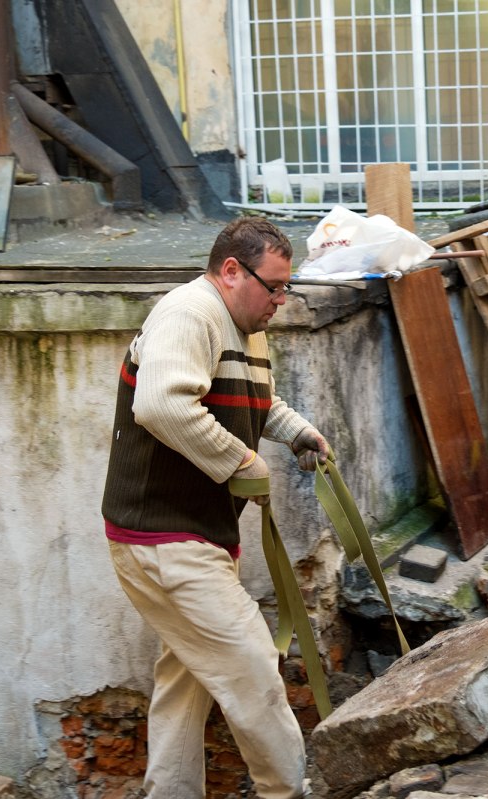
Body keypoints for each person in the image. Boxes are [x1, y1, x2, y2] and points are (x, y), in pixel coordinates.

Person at [101, 216, 330, 799]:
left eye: (287, 287)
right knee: (254, 667)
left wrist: (297, 431)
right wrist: (239, 462)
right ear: (231, 270)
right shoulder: (188, 313)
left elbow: (253, 398)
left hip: (191, 536)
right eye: (273, 286)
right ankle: (290, 792)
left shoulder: (241, 324)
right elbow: (162, 405)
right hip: (164, 538)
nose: (281, 300)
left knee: (186, 682)